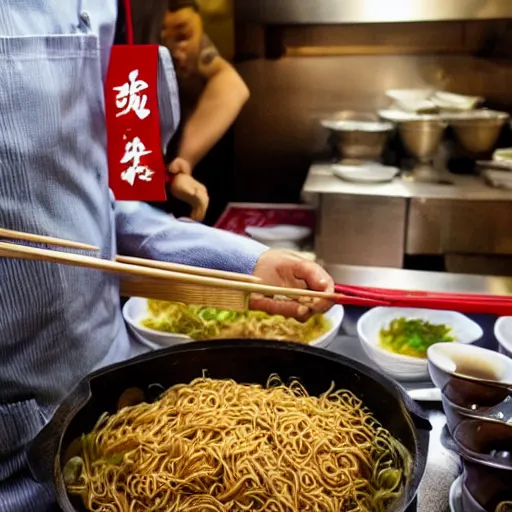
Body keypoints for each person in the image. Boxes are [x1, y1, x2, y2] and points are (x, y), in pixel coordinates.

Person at [0, 3, 333, 511]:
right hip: (13, 453)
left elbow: (97, 205)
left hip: (122, 409)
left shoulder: (111, 7)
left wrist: (245, 265)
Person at [134, 0, 250, 223]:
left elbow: (233, 86)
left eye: (183, 36)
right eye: (163, 38)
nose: (177, 48)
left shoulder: (198, 54)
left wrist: (183, 162)